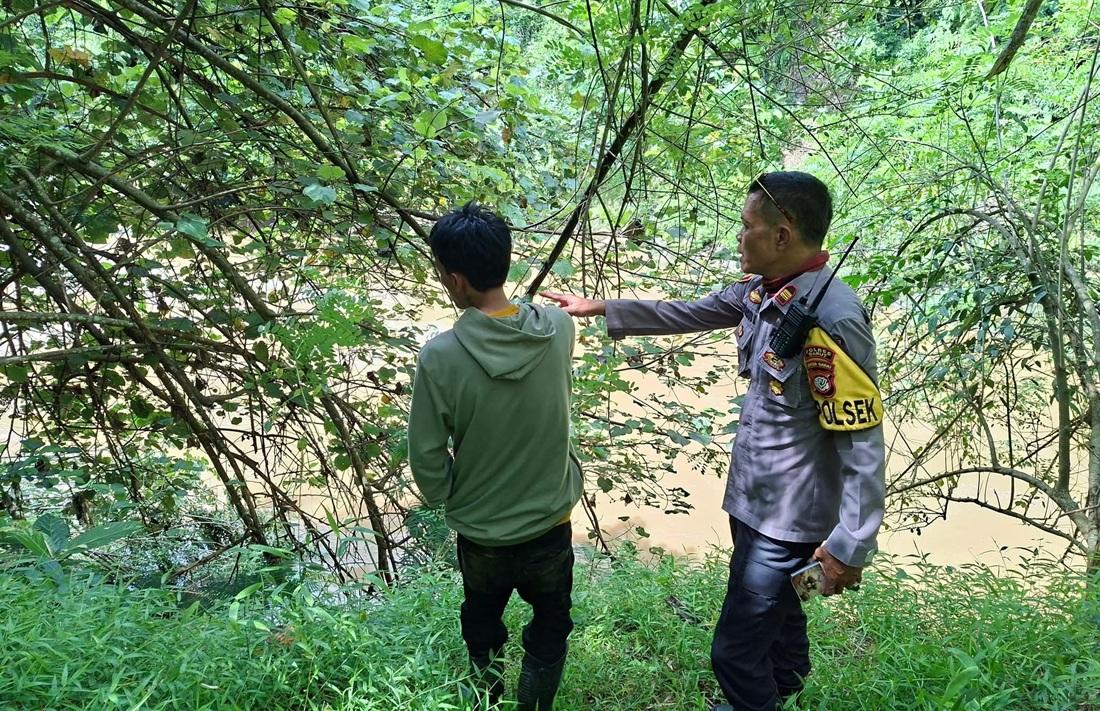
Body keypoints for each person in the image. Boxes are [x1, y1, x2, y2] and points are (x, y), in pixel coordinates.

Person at [543, 171, 886, 711]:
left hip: (788, 518)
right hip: (752, 499)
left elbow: (862, 440)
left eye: (747, 226)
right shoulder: (761, 291)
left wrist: (852, 543)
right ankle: (785, 686)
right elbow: (687, 312)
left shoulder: (832, 317)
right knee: (779, 615)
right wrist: (601, 307)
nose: (738, 236)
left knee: (734, 652)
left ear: (781, 235)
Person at [408, 202, 583, 710]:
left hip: (482, 532)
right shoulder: (558, 328)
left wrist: (448, 495)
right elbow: (527, 322)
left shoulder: (440, 355)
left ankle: (488, 698)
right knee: (552, 620)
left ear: (456, 280)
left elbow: (426, 453)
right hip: (551, 522)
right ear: (505, 261)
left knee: (482, 621)